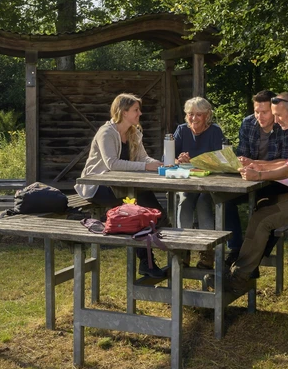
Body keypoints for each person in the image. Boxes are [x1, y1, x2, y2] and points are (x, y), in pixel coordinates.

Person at [206, 92, 288, 296]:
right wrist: (257, 164)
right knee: (263, 203)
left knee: (262, 219)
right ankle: (248, 267)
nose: (276, 120)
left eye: (278, 115)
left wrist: (259, 174)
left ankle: (238, 279)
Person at [74, 93, 167, 278]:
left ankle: (158, 232)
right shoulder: (106, 133)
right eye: (136, 110)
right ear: (124, 112)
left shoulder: (134, 132)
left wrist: (158, 164)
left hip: (122, 187)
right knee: (138, 209)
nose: (140, 113)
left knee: (141, 204)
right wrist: (145, 167)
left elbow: (143, 158)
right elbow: (112, 164)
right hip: (97, 186)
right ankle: (155, 244)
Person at [221, 90, 288, 267]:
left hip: (277, 181)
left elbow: (287, 162)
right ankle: (235, 249)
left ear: (274, 111)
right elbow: (243, 154)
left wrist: (256, 164)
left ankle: (253, 258)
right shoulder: (248, 123)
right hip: (251, 179)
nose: (259, 116)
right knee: (224, 199)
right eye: (256, 111)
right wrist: (242, 162)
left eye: (265, 112)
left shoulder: (284, 125)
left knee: (265, 208)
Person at [173, 96, 225, 268]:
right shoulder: (181, 130)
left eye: (198, 114)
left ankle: (207, 252)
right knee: (185, 201)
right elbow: (168, 159)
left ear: (207, 115)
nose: (193, 118)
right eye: (190, 114)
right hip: (187, 181)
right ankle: (183, 249)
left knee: (203, 202)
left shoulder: (215, 131)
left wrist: (195, 162)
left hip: (210, 182)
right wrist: (179, 160)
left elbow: (219, 161)